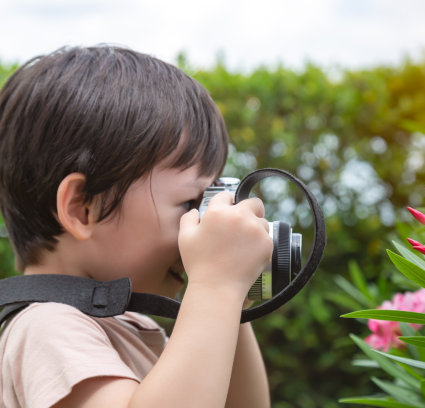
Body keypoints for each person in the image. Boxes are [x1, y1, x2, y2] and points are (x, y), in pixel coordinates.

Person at [0, 45, 272, 407]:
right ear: (83, 208)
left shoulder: (126, 325)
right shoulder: (47, 328)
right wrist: (216, 284)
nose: (202, 223)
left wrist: (231, 294)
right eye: (190, 204)